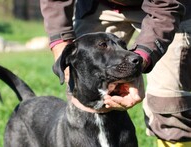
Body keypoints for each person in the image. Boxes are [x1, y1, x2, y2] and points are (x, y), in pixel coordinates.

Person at [40, 0, 191, 146]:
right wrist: (60, 41)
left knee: (170, 104)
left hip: (161, 9)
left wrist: (142, 59)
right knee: (81, 91)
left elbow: (166, 6)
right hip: (97, 5)